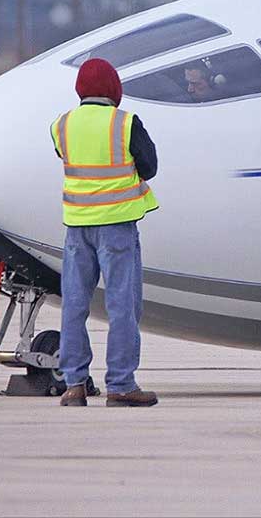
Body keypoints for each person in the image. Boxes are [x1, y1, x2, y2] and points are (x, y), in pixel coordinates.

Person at [51, 58, 160, 407]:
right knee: (122, 306)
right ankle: (121, 385)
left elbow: (63, 156)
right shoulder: (125, 123)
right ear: (114, 89)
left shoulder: (62, 124)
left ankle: (74, 385)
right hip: (116, 227)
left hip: (76, 227)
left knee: (74, 306)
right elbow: (150, 166)